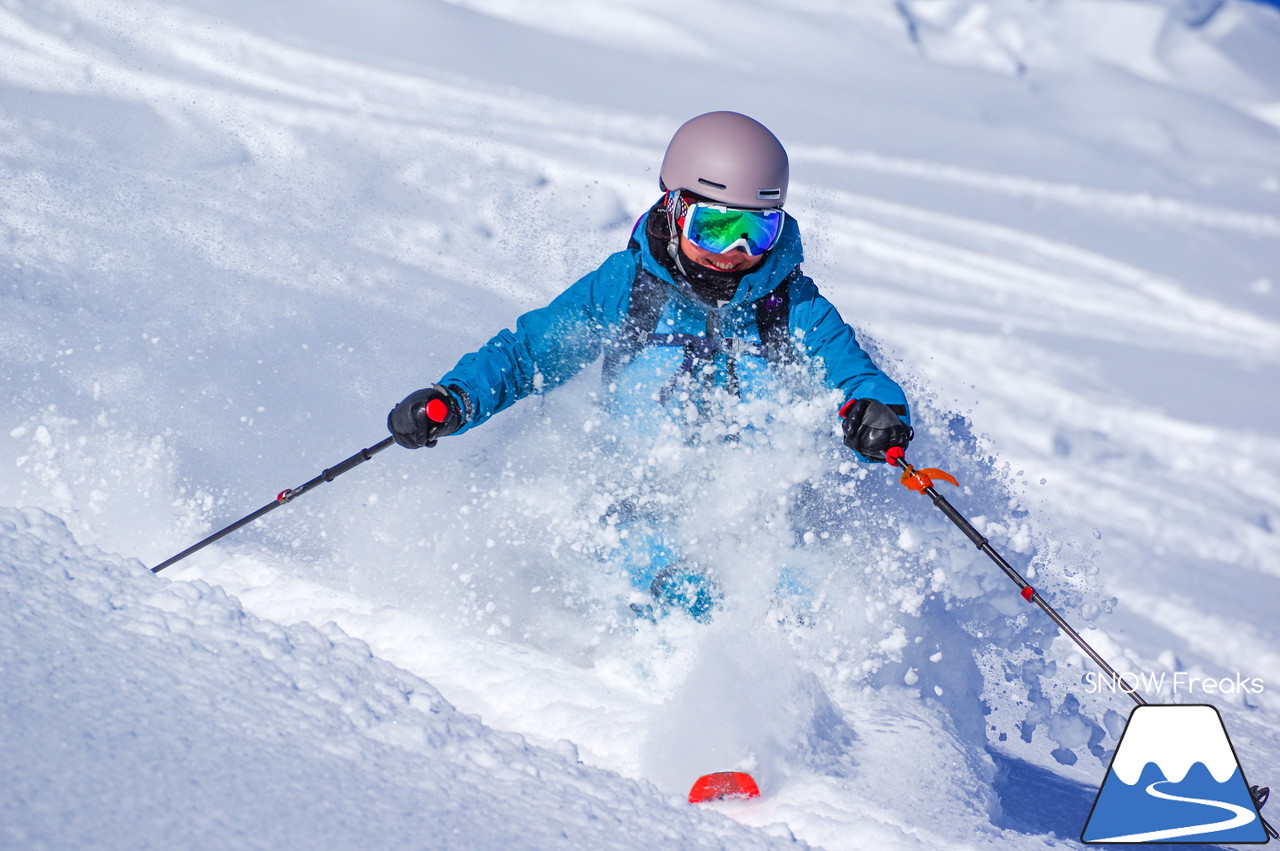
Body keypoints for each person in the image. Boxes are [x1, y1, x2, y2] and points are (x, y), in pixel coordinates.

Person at [388, 111, 913, 621]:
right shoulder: (627, 286)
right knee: (681, 597)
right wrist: (457, 398)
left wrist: (877, 413)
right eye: (716, 226)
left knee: (803, 602)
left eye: (758, 232)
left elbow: (852, 372)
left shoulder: (792, 304)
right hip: (635, 504)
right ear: (676, 208)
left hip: (755, 517)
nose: (734, 251)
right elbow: (530, 354)